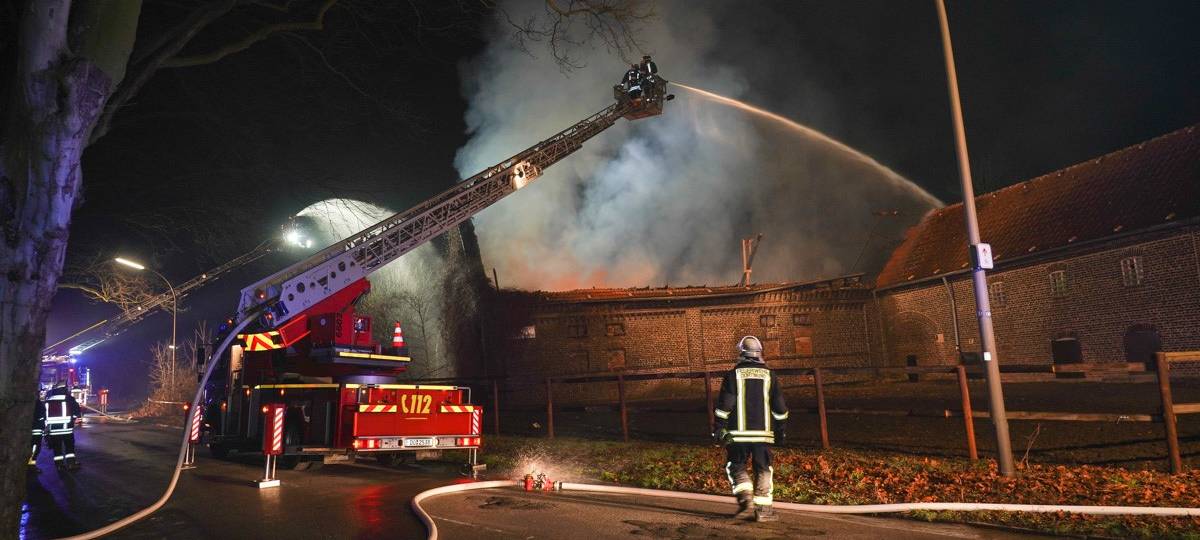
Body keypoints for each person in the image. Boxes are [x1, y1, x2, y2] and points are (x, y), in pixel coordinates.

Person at [712, 335, 789, 522]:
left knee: (736, 465)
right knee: (763, 468)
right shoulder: (770, 375)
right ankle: (763, 510)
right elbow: (779, 408)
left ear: (741, 353)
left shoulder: (733, 375)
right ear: (759, 353)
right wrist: (781, 429)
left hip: (737, 435)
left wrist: (719, 428)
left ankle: (746, 500)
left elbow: (725, 406)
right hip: (762, 435)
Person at [44, 383, 82, 470]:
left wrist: (46, 429)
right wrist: (73, 419)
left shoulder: (48, 400)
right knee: (69, 448)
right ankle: (71, 464)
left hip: (53, 430)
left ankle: (59, 465)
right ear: (64, 389)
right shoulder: (69, 399)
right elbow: (77, 411)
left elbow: (45, 415)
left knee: (57, 449)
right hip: (67, 429)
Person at [29, 396, 45, 470]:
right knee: (36, 448)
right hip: (37, 430)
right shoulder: (39, 405)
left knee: (31, 447)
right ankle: (31, 465)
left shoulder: (27, 404)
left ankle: (29, 464)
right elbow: (43, 416)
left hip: (29, 430)